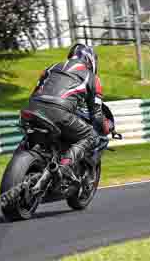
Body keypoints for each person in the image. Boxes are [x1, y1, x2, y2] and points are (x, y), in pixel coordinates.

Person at [25, 44, 109, 180]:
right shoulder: (92, 78)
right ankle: (65, 165)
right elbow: (97, 114)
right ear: (91, 60)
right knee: (91, 136)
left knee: (29, 131)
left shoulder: (50, 68)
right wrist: (104, 128)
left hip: (32, 107)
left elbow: (36, 91)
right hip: (59, 113)